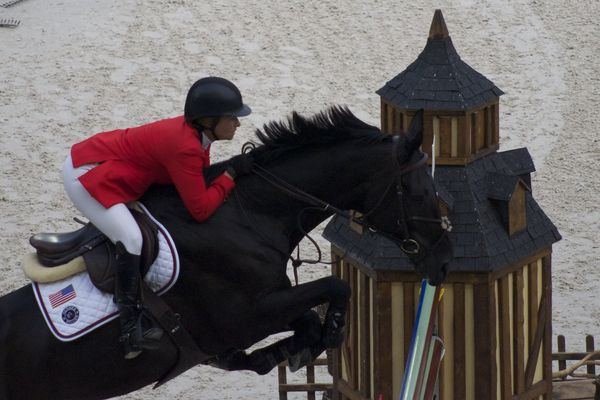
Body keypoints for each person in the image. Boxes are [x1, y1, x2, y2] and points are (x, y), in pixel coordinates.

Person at [62, 76, 254, 359]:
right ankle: (130, 327)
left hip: (109, 163)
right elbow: (200, 210)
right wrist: (229, 177)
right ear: (209, 120)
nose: (238, 123)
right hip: (87, 175)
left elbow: (195, 183)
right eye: (233, 118)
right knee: (131, 239)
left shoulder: (198, 137)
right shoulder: (186, 146)